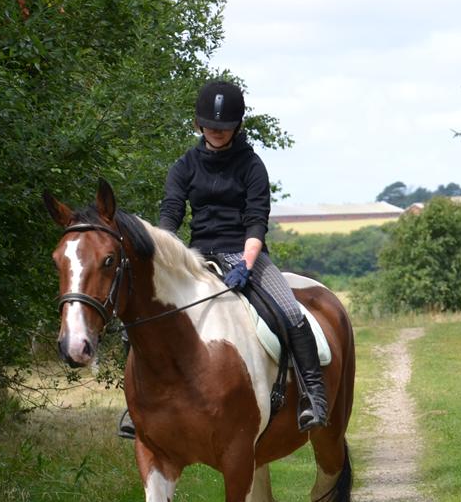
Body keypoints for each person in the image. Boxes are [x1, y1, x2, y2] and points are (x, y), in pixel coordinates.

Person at [118, 80, 327, 438]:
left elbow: (256, 221)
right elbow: (170, 215)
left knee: (290, 312)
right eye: (211, 126)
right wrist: (161, 255)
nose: (216, 132)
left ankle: (313, 395)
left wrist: (246, 264)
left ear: (237, 127)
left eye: (224, 127)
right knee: (140, 316)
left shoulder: (252, 165)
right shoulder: (184, 165)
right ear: (199, 125)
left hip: (245, 252)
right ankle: (136, 405)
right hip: (195, 255)